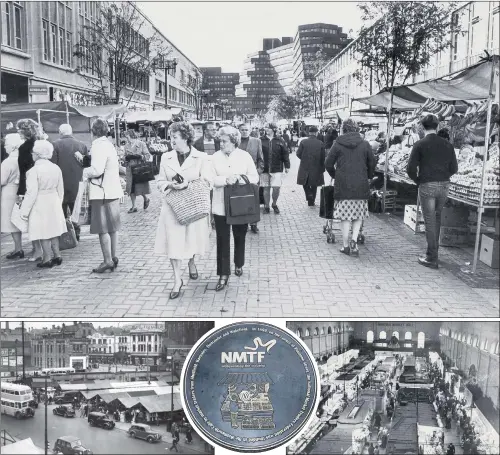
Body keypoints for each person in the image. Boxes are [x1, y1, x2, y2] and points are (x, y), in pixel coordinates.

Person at [154, 121, 211, 299]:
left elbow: (208, 181)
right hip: (172, 207)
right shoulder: (166, 157)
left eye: (175, 137)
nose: (171, 140)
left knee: (193, 239)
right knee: (174, 242)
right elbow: (160, 181)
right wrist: (169, 184)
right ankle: (177, 279)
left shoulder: (201, 157)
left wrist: (190, 184)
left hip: (193, 205)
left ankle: (192, 262)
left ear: (186, 138)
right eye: (170, 136)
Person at [210, 126, 259, 291]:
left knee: (240, 236)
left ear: (234, 141)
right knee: (222, 240)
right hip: (220, 206)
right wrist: (224, 180)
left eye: (224, 141)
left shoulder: (244, 156)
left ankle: (239, 263)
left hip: (240, 205)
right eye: (220, 140)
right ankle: (223, 274)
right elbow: (209, 179)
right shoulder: (215, 157)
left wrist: (240, 178)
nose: (221, 143)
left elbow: (254, 176)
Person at [407, 114, 458, 269]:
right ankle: (434, 253)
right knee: (436, 218)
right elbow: (454, 168)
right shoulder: (447, 145)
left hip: (427, 184)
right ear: (437, 126)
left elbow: (410, 169)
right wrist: (443, 177)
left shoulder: (420, 145)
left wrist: (418, 180)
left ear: (423, 127)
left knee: (429, 220)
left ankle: (431, 257)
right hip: (444, 185)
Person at [325, 118, 375, 257]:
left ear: (343, 129)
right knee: (358, 215)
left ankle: (345, 245)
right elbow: (372, 162)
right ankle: (354, 240)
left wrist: (335, 175)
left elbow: (328, 163)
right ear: (356, 129)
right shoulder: (365, 144)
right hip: (361, 184)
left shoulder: (337, 144)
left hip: (343, 185)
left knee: (345, 217)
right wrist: (369, 176)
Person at [81, 118, 124, 273]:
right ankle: (113, 256)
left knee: (102, 228)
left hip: (101, 192)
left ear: (93, 131)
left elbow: (96, 170)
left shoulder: (98, 146)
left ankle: (107, 261)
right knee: (113, 227)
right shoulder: (109, 145)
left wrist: (84, 170)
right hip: (112, 190)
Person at [19, 140, 67, 268]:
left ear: (38, 154)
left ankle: (47, 258)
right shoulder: (56, 168)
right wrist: (59, 202)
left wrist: (24, 211)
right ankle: (57, 255)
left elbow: (31, 193)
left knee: (43, 231)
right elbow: (61, 189)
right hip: (54, 200)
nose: (32, 155)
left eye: (34, 152)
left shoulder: (33, 171)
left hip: (40, 202)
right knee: (54, 230)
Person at [51, 124, 89, 240]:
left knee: (61, 209)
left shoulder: (54, 145)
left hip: (60, 182)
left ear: (60, 132)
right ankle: (76, 231)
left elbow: (53, 165)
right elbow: (87, 165)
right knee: (75, 208)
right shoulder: (82, 145)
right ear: (71, 132)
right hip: (77, 182)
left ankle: (64, 234)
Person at [16, 119, 43, 262]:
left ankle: (37, 250)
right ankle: (40, 248)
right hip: (43, 184)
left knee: (32, 219)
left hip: (30, 185)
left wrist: (20, 192)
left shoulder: (24, 148)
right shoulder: (42, 144)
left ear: (25, 131)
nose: (18, 132)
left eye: (19, 129)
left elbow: (23, 172)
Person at [2, 133, 25, 259]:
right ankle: (35, 248)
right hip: (21, 191)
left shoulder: (8, 161)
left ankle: (18, 248)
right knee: (20, 220)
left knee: (12, 222)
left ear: (12, 146)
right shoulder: (24, 158)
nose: (4, 147)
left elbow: (2, 180)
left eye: (6, 145)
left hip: (9, 193)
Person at [238, 123, 264, 233]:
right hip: (238, 175)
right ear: (238, 131)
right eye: (242, 130)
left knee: (253, 200)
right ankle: (241, 222)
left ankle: (253, 223)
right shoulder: (235, 142)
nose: (244, 131)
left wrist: (258, 171)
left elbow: (260, 158)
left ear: (249, 130)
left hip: (253, 175)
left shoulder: (256, 141)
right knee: (240, 199)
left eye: (246, 130)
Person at [260, 123, 290, 214]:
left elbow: (285, 153)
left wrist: (287, 165)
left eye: (268, 128)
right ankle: (266, 206)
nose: (266, 129)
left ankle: (274, 203)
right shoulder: (260, 140)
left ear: (273, 129)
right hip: (264, 168)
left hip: (277, 167)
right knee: (266, 188)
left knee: (276, 188)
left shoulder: (280, 140)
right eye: (265, 128)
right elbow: (258, 153)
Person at [296, 125, 326, 206]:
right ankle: (311, 202)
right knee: (314, 184)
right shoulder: (320, 143)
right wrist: (323, 167)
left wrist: (304, 158)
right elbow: (324, 157)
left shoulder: (303, 142)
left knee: (304, 182)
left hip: (305, 165)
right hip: (316, 166)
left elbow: (298, 154)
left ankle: (309, 194)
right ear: (316, 133)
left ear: (309, 133)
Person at [123, 129, 151, 213]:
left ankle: (146, 199)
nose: (126, 139)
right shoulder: (126, 146)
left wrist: (140, 156)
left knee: (139, 187)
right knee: (131, 188)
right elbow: (124, 158)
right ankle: (134, 206)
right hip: (130, 169)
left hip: (139, 169)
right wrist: (126, 158)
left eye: (127, 136)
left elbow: (148, 155)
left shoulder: (141, 144)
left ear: (132, 136)